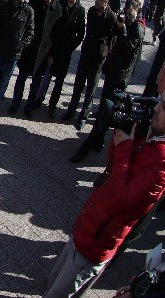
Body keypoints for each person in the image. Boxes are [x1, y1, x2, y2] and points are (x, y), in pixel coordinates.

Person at [43, 100, 165, 297]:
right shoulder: (152, 139)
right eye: (160, 103)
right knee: (52, 284)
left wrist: (125, 145)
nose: (157, 109)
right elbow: (112, 168)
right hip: (86, 226)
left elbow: (119, 199)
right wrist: (122, 136)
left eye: (164, 107)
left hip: (95, 244)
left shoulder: (162, 165)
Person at [71, 0, 146, 164]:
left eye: (129, 12)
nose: (126, 16)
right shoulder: (128, 24)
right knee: (106, 111)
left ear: (137, 11)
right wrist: (120, 27)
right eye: (126, 12)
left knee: (106, 113)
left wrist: (124, 29)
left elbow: (129, 53)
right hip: (114, 74)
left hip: (119, 79)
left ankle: (89, 145)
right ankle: (97, 142)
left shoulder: (138, 29)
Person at [63, 0, 118, 125]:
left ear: (105, 1)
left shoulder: (111, 17)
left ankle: (83, 117)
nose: (96, 1)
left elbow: (112, 41)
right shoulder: (92, 11)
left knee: (90, 91)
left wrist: (105, 55)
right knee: (78, 86)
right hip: (86, 54)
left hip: (98, 59)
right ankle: (70, 111)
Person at [8, 0, 61, 116]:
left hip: (44, 52)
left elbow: (57, 36)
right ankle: (15, 104)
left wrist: (53, 55)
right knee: (21, 79)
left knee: (36, 83)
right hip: (29, 48)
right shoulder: (34, 3)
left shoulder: (58, 9)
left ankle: (29, 106)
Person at [32, 0, 86, 118]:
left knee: (60, 81)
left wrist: (72, 46)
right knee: (47, 76)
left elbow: (81, 33)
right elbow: (53, 27)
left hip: (66, 51)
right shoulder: (60, 5)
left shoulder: (80, 10)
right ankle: (38, 98)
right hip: (53, 47)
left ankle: (52, 105)